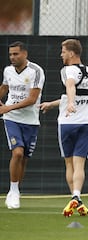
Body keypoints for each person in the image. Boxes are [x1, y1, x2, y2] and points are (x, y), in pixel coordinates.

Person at [39, 39, 88, 217]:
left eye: (63, 51)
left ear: (71, 53)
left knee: (69, 163)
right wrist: (54, 104)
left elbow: (70, 87)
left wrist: (70, 103)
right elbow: (78, 95)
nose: (61, 55)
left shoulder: (68, 70)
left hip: (68, 123)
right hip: (86, 122)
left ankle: (75, 197)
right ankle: (77, 198)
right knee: (80, 164)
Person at [0, 41, 45, 209]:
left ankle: (16, 190)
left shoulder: (37, 71)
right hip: (11, 118)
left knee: (24, 158)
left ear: (24, 54)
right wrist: (5, 108)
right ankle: (12, 191)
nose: (12, 57)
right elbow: (4, 88)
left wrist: (6, 107)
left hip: (31, 121)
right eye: (10, 54)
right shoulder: (8, 70)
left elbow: (32, 99)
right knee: (17, 153)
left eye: (16, 54)